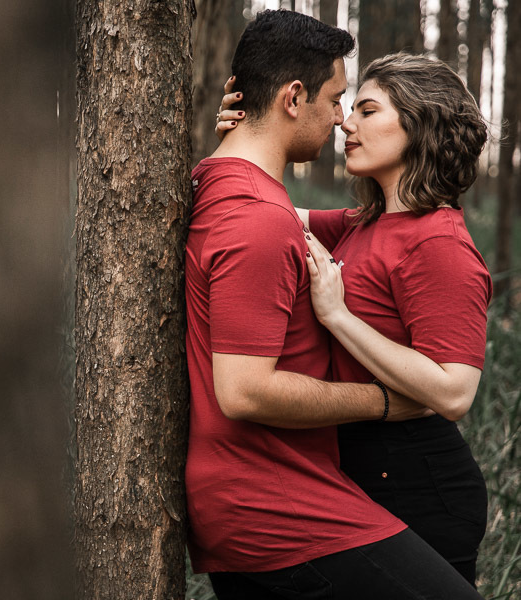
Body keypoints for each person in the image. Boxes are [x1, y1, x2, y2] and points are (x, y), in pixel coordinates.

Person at [185, 9, 484, 599]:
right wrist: (244, 132)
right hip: (341, 474)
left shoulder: (439, 241)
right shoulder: (359, 223)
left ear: (419, 125)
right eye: (341, 102)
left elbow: (455, 393)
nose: (345, 120)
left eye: (366, 109)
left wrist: (338, 317)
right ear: (295, 98)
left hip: (417, 474)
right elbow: (252, 205)